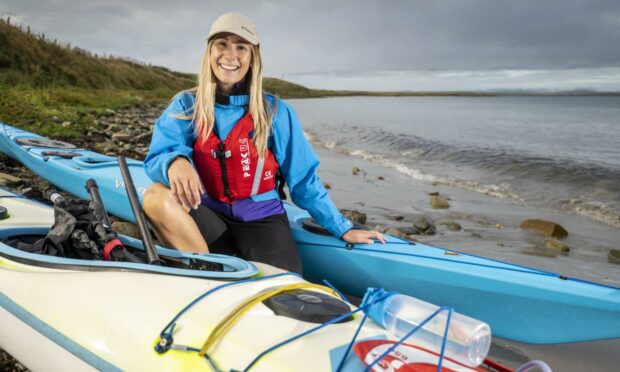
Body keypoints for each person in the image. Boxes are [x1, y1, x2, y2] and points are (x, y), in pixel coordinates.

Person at [143, 13, 385, 273]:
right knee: (155, 196)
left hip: (261, 218)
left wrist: (341, 227)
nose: (230, 54)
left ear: (252, 57)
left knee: (285, 289)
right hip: (207, 213)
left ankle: (229, 270)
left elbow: (303, 180)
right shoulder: (186, 104)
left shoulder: (276, 112)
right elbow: (159, 154)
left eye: (241, 47)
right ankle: (208, 271)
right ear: (210, 51)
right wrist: (175, 162)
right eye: (222, 44)